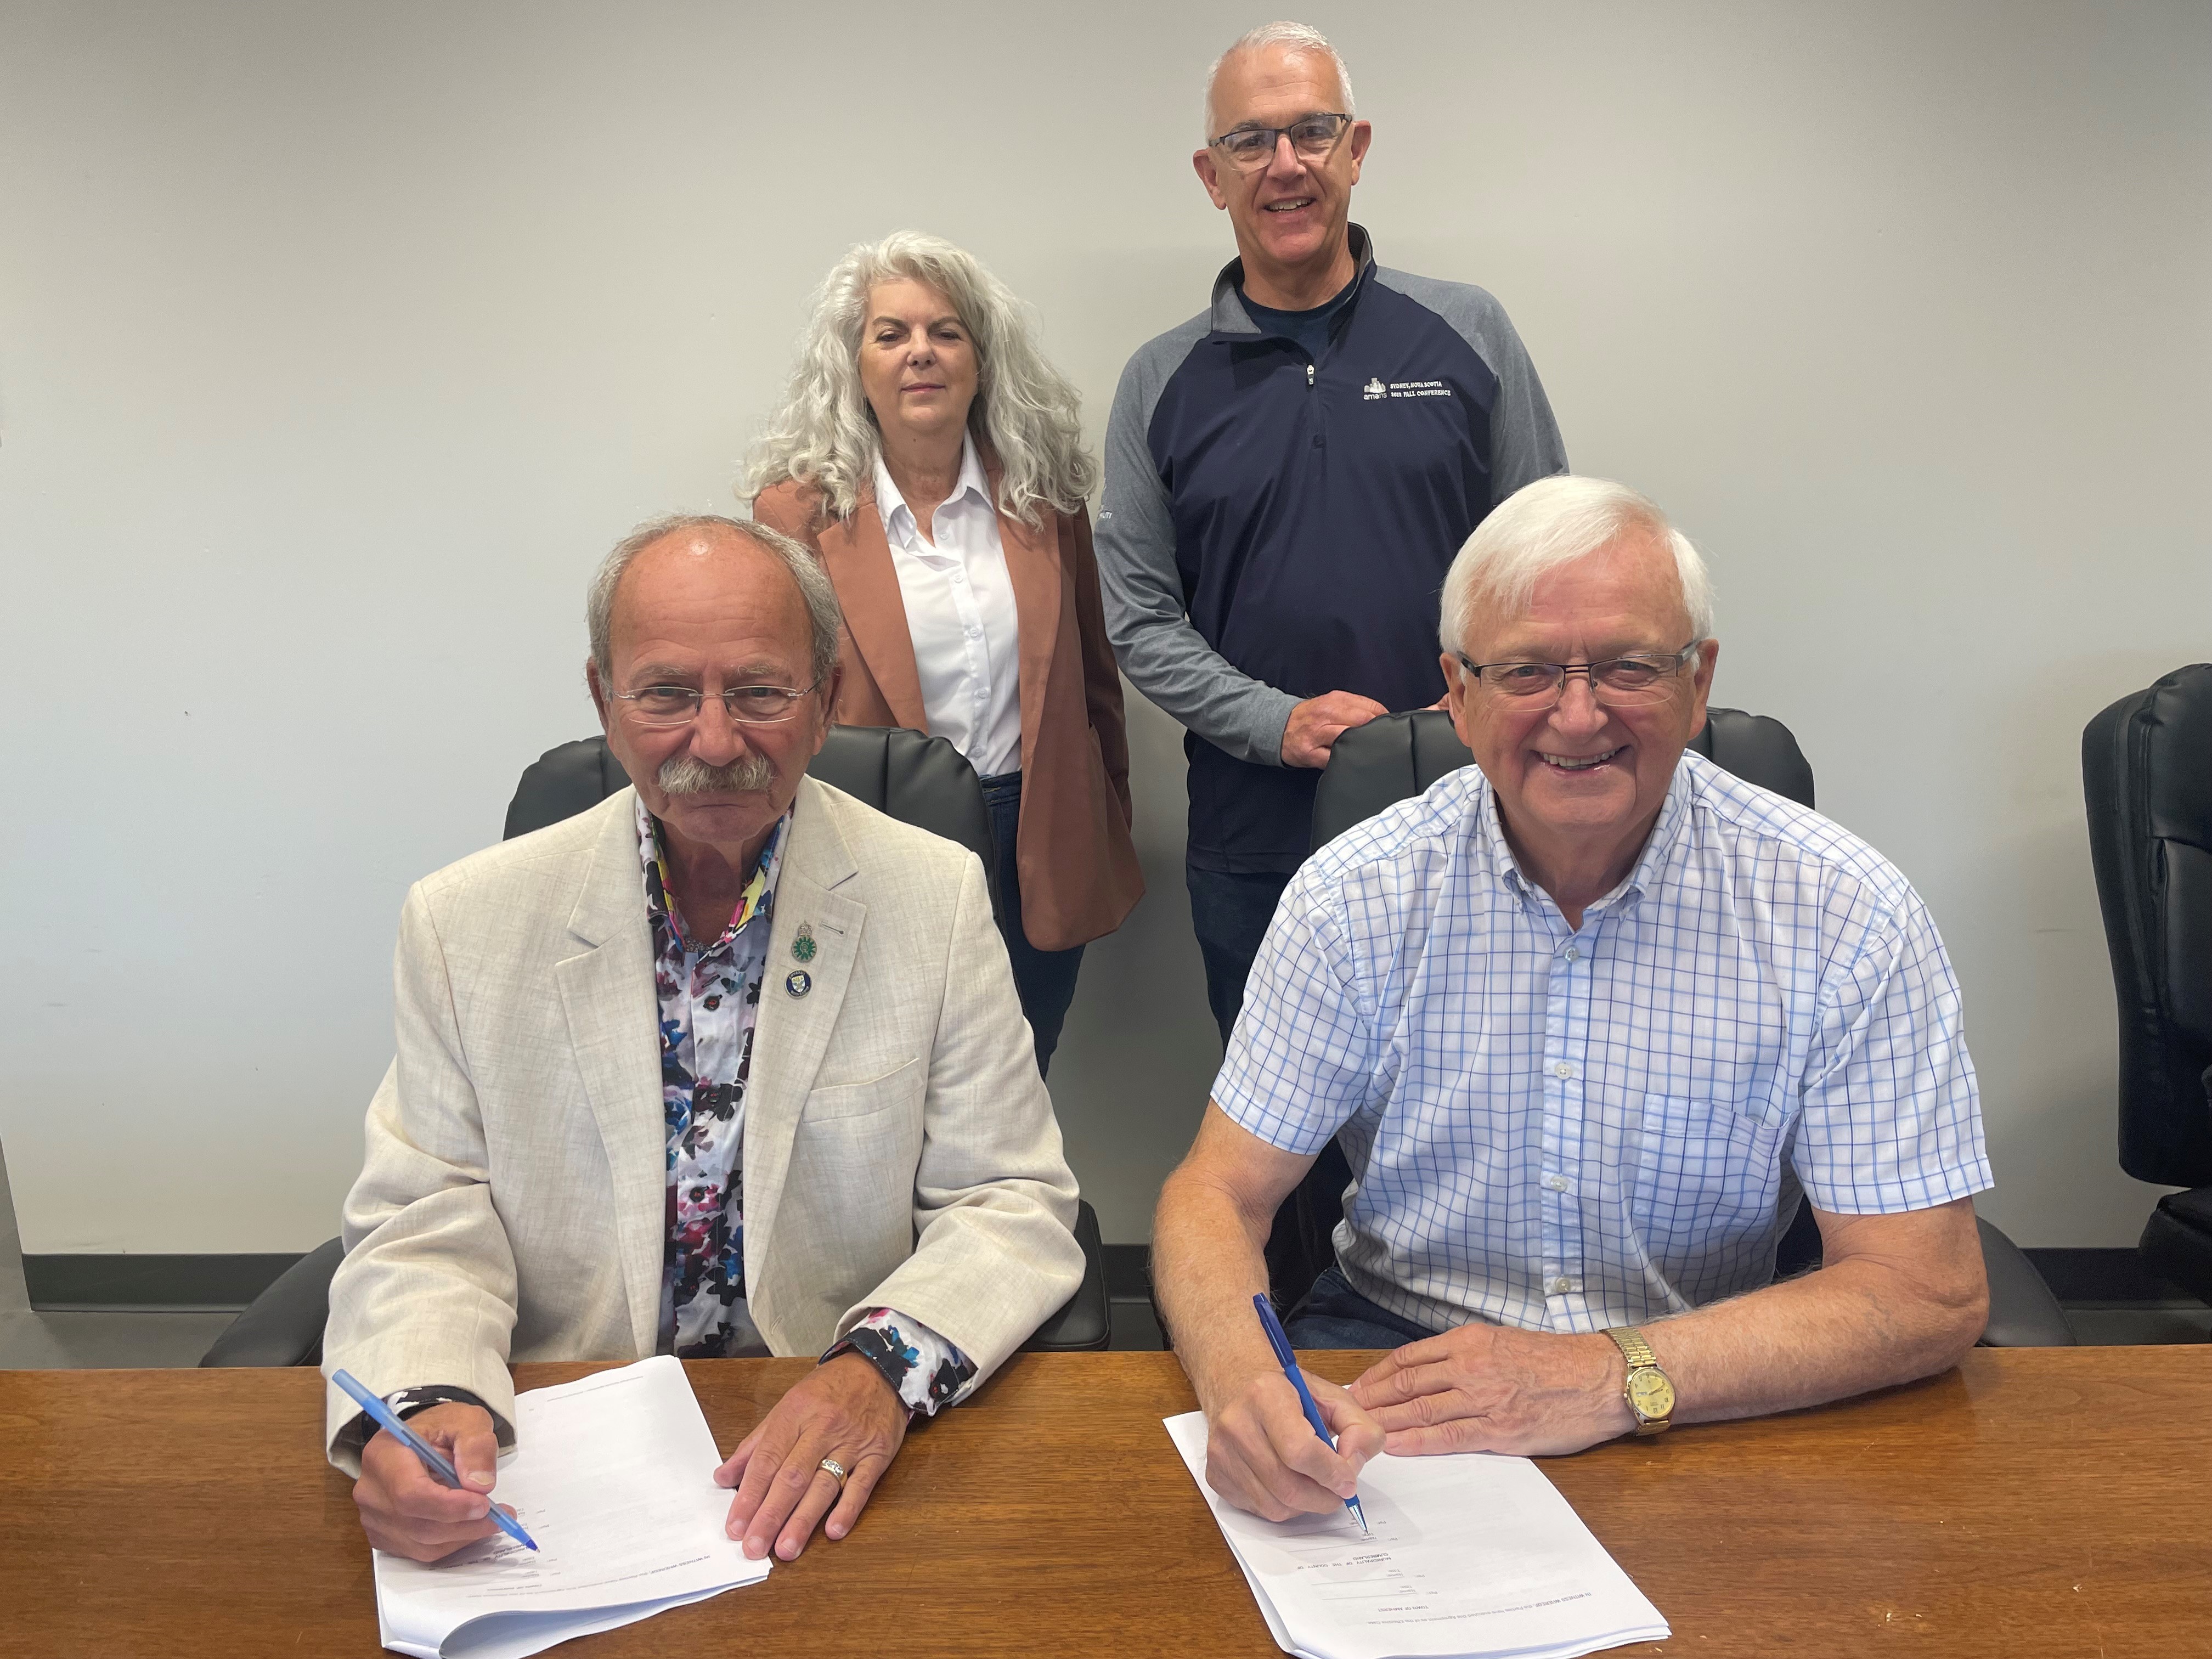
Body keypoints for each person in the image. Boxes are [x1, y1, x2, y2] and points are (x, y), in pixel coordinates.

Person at [1152, 475, 1993, 1526]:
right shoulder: (1353, 897)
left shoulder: (1842, 912)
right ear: (1456, 695)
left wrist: (1606, 1376)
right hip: (1393, 1370)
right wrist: (1244, 1378)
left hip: (1704, 1370)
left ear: (1699, 683)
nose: (1580, 715)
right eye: (1528, 672)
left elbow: (1928, 1289)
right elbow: (1216, 1195)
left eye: (1630, 667)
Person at [324, 515, 1084, 1564]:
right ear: (605, 702)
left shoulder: (932, 897)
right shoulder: (465, 922)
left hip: (840, 1435)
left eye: (761, 692)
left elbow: (1012, 1199)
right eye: (668, 694)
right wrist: (427, 1393)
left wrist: (877, 1369)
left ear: (821, 702)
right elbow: (425, 1214)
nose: (716, 741)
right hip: (559, 1452)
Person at [1097, 21, 1568, 1054]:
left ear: (1356, 149)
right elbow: (1137, 620)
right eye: (1251, 141)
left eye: (1312, 132)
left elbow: (1548, 563)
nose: (1285, 165)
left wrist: (1480, 705)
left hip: (1474, 817)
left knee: (1477, 1111)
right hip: (1257, 836)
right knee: (1282, 1142)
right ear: (1210, 177)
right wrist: (1279, 722)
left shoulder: (1468, 332)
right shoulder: (1157, 383)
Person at [750, 232, 1142, 1077]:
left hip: (1037, 833)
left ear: (980, 359)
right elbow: (777, 703)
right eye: (891, 335)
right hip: (880, 837)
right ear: (854, 365)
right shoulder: (795, 519)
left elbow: (1094, 678)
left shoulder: (1044, 497)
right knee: (884, 1083)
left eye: (947, 332)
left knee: (1019, 1075)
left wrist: (1105, 812)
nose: (920, 354)